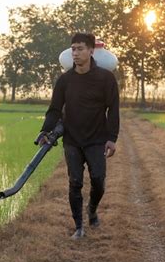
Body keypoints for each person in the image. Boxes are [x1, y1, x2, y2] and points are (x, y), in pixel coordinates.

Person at [38, 33, 119, 239]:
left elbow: (113, 110)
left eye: (80, 48)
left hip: (96, 139)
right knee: (75, 182)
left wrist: (112, 138)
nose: (75, 53)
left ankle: (92, 209)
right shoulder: (65, 80)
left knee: (98, 180)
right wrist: (44, 131)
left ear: (92, 51)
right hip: (72, 140)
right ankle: (79, 227)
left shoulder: (106, 78)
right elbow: (55, 109)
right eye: (73, 48)